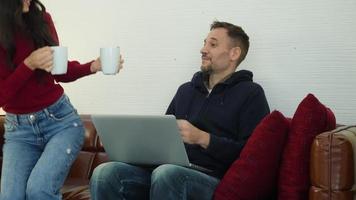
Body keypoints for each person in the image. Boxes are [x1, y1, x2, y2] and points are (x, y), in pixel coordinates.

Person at [90, 21, 270, 200]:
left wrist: (203, 138)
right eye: (204, 43)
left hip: (211, 178)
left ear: (234, 53)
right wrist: (127, 147)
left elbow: (254, 156)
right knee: (105, 173)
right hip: (166, 171)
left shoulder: (251, 93)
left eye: (213, 44)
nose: (203, 49)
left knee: (166, 175)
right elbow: (163, 137)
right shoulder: (186, 90)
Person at [0, 0, 123, 199]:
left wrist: (93, 66)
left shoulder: (42, 20)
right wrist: (28, 65)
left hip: (60, 123)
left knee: (39, 190)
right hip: (19, 131)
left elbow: (59, 70)